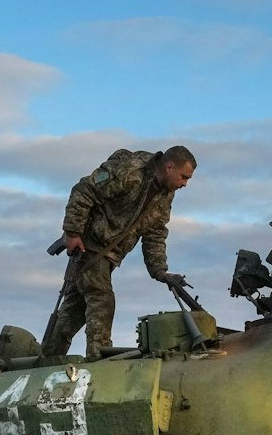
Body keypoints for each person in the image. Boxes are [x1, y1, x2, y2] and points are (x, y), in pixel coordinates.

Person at [39, 145, 196, 362]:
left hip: (110, 256)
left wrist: (160, 271)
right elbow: (85, 190)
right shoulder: (131, 171)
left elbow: (156, 233)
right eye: (184, 177)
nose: (185, 184)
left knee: (73, 313)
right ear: (169, 167)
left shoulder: (164, 195)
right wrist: (72, 232)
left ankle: (45, 360)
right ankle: (99, 361)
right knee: (102, 299)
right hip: (90, 246)